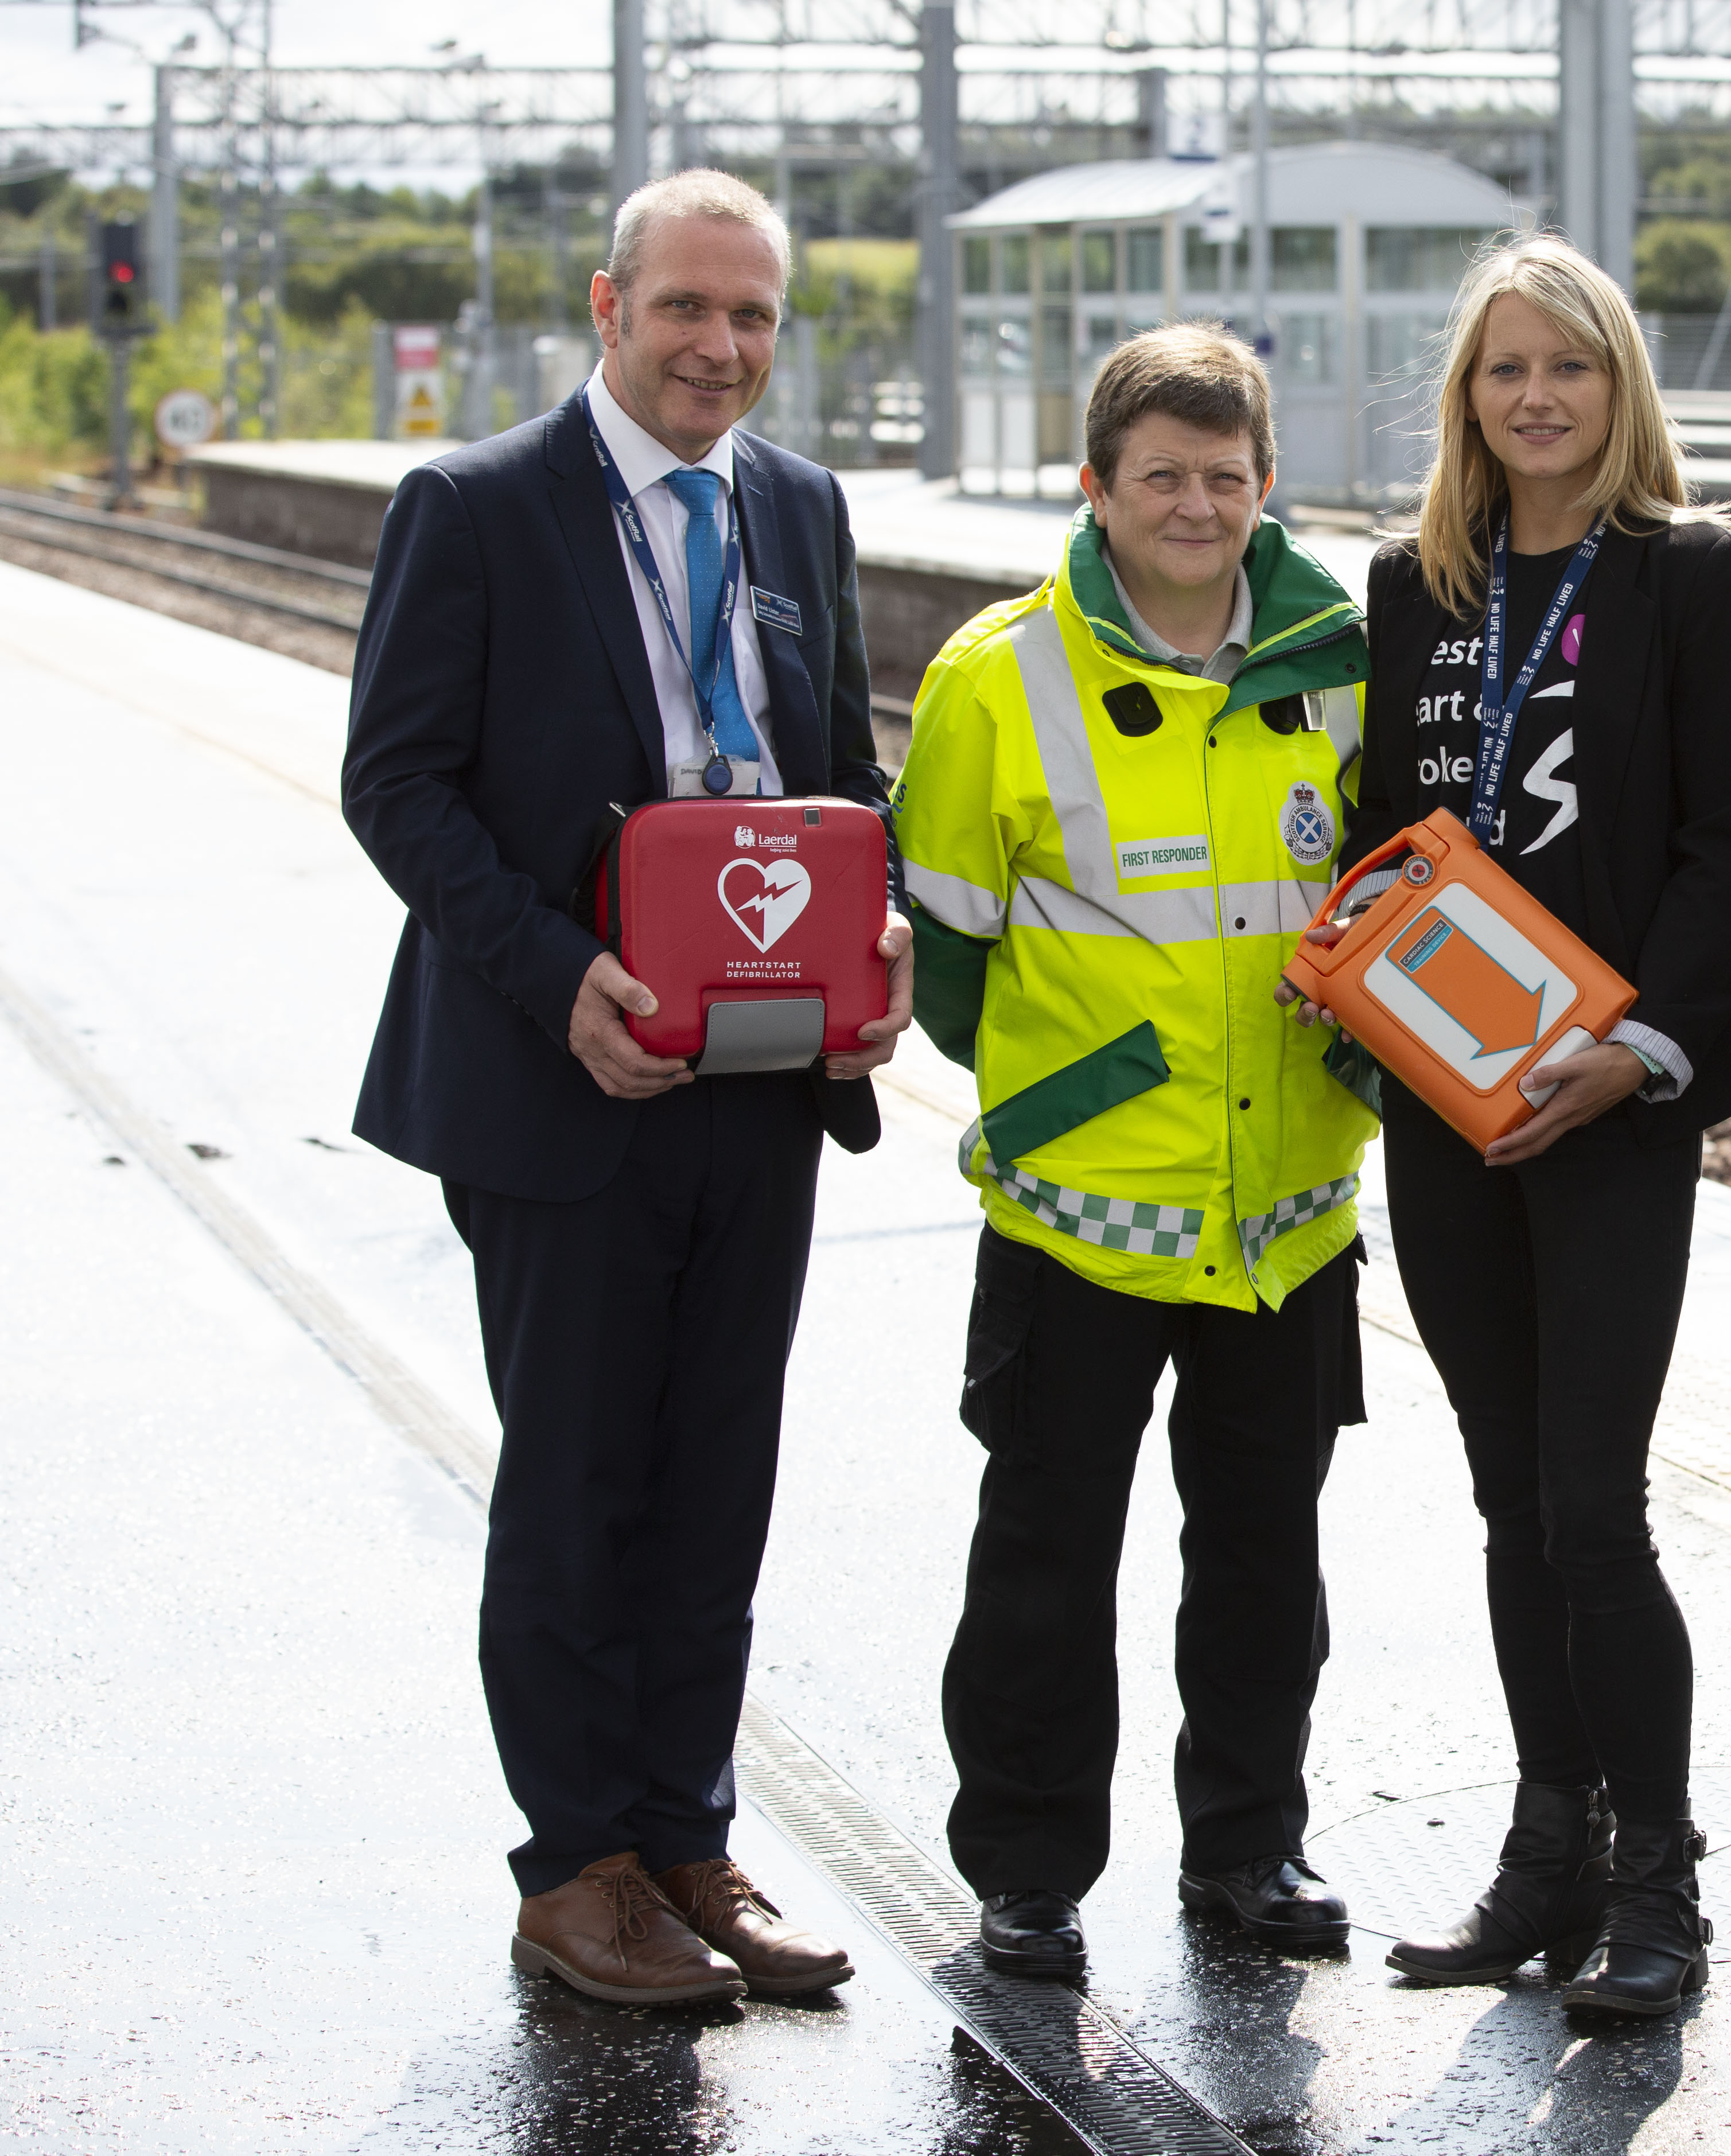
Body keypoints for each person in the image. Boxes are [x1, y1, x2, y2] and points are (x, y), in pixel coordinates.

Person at [341, 169, 911, 2006]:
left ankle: (684, 1837)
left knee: (716, 1477)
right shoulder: (475, 507)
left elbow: (839, 775)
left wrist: (876, 935)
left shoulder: (798, 507)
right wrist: (557, 977)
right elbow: (397, 785)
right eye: (685, 307)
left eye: (751, 316)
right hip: (561, 1071)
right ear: (609, 307)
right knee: (581, 1479)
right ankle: (574, 1865)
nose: (717, 347)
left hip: (761, 1073)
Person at [1297, 235, 1731, 2017]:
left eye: (1567, 365)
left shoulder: (1689, 574)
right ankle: (1546, 1852)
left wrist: (1637, 1048)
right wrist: (1344, 960)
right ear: (1467, 396)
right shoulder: (1413, 584)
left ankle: (1660, 1882)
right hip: (1451, 1106)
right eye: (1505, 368)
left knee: (1593, 1505)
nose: (1537, 396)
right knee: (1509, 1497)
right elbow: (1384, 830)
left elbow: (1726, 845)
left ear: (1616, 385)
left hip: (1609, 1102)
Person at [894, 324, 1374, 1982]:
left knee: (1264, 1559)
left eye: (1224, 477)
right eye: (1160, 476)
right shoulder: (994, 680)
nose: (1194, 506)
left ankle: (1249, 1847)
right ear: (1096, 487)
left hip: (1285, 1215)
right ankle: (1028, 1870)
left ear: (1265, 485)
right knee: (1044, 1556)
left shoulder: (1339, 662)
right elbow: (947, 960)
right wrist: (1083, 1090)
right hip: (1080, 1217)